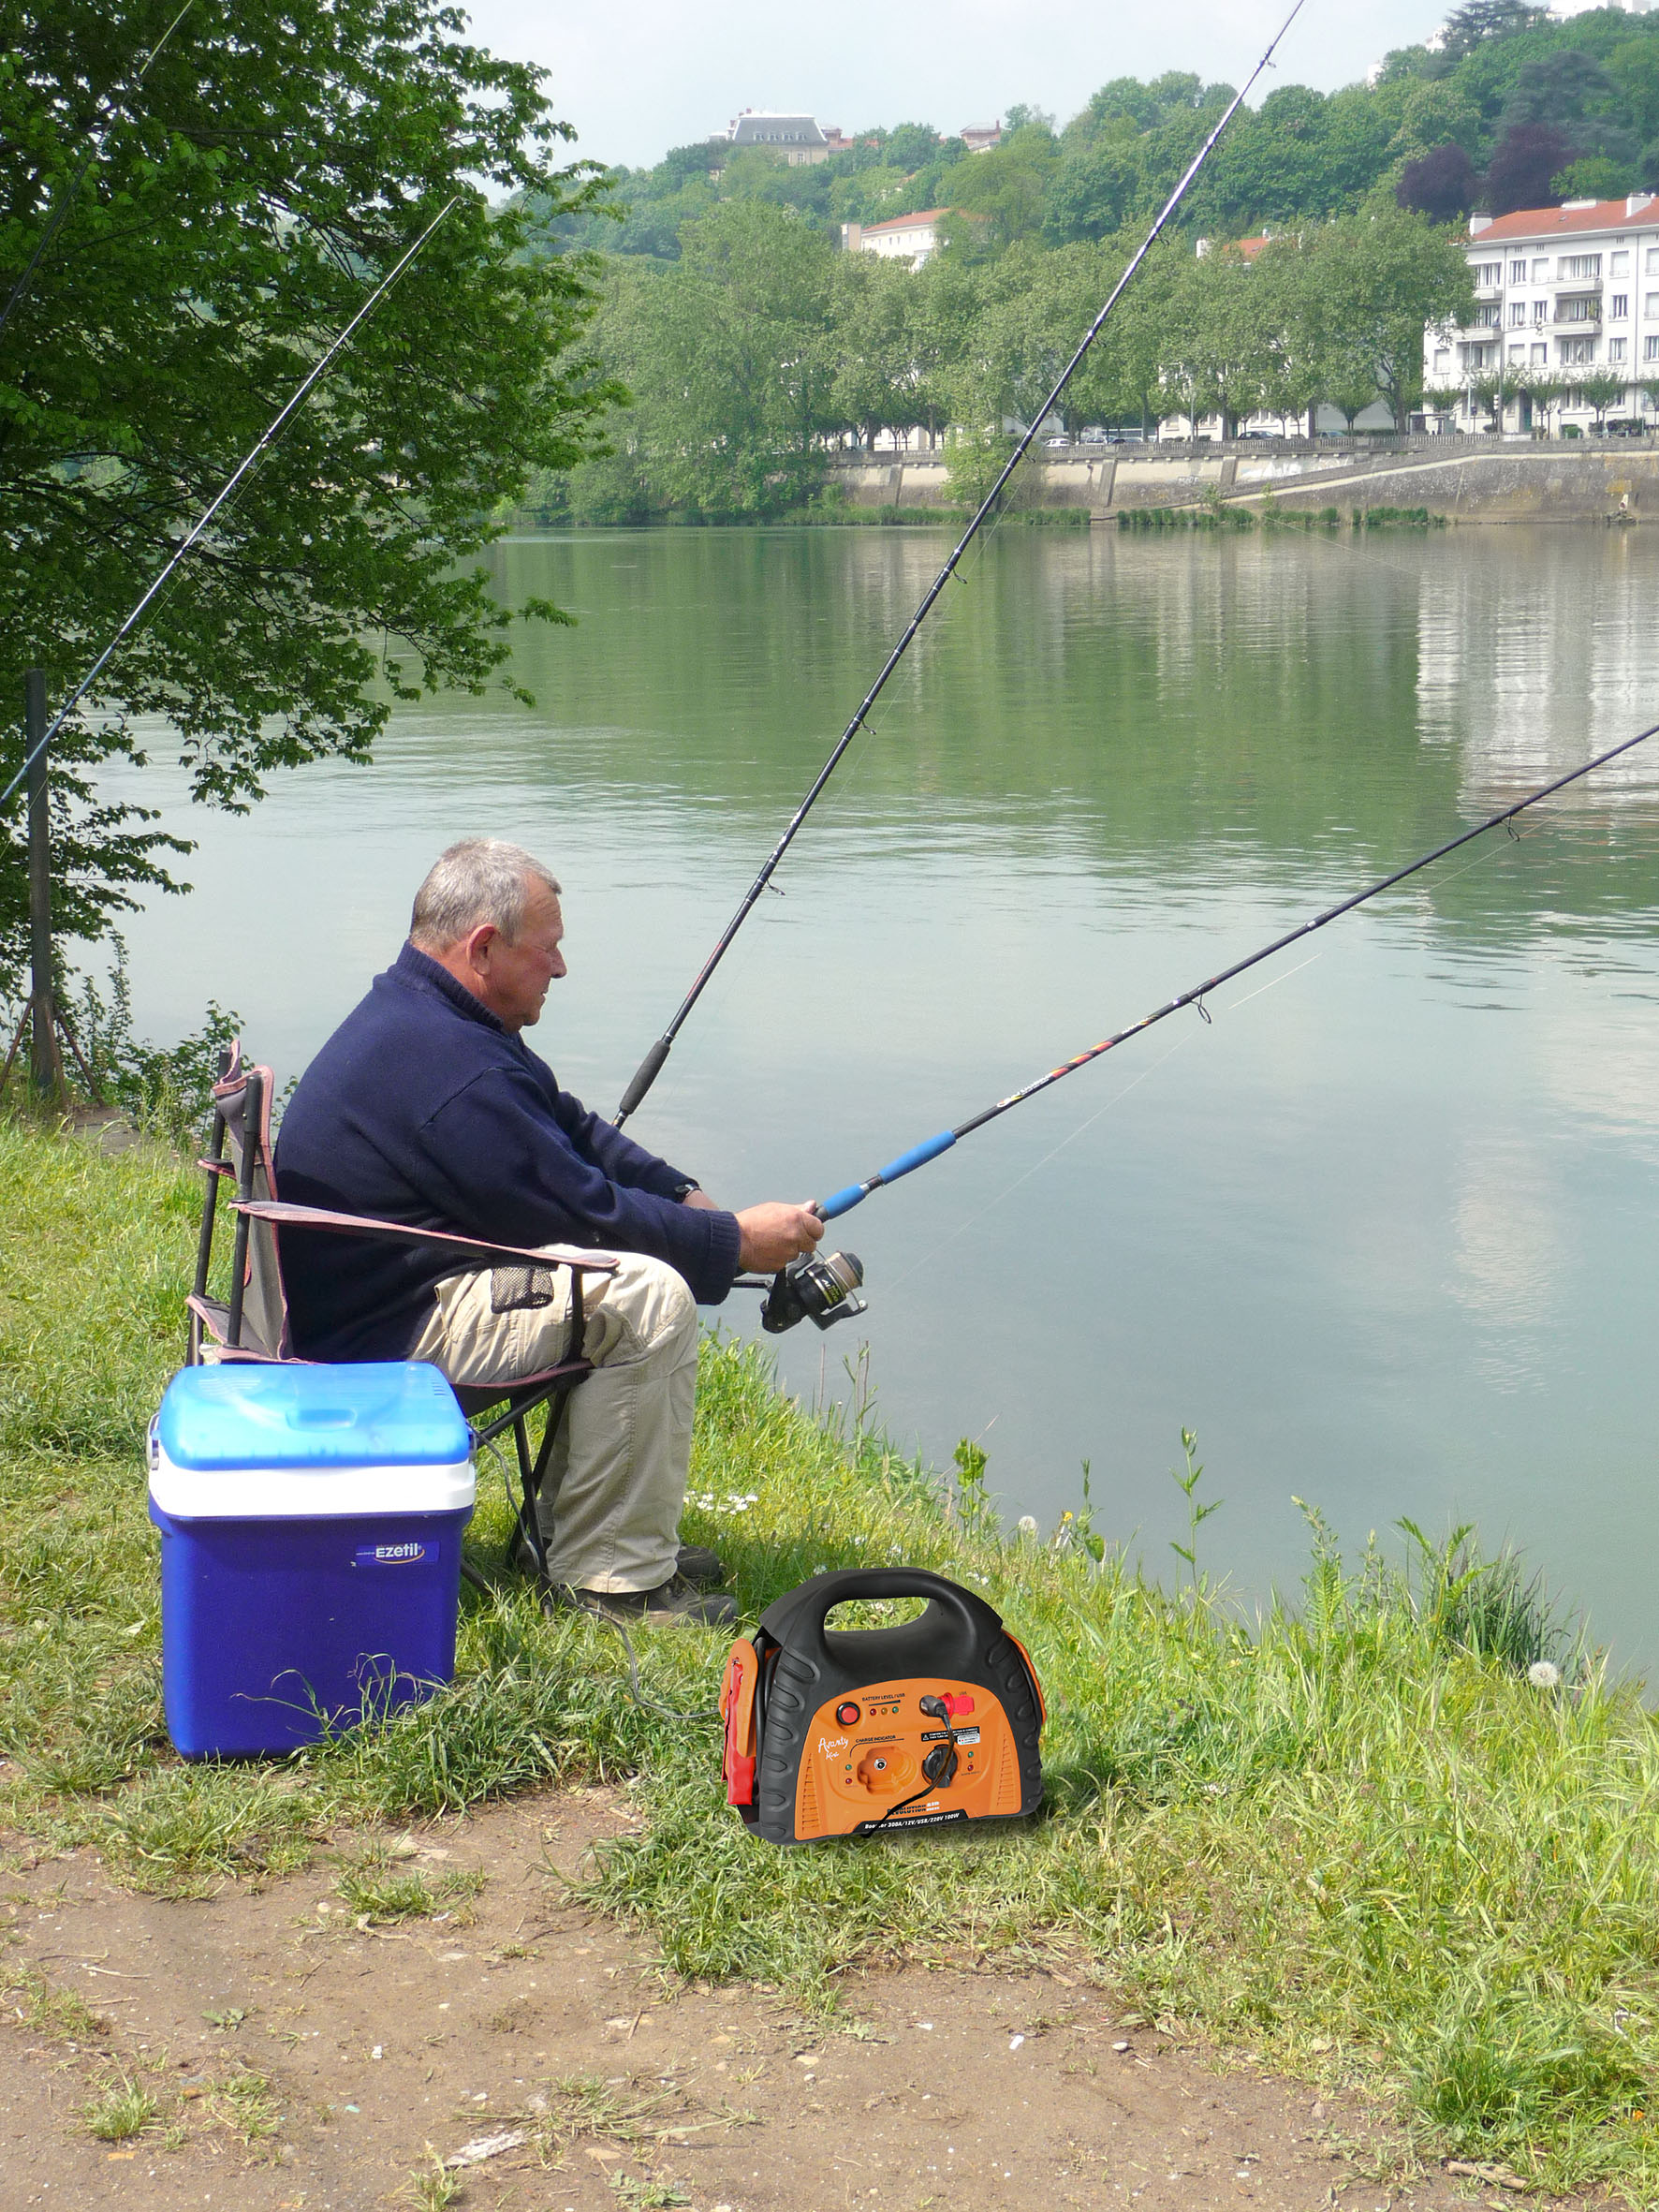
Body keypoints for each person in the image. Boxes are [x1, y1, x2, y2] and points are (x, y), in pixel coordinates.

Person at [273, 837, 824, 1626]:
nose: (561, 969)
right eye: (550, 949)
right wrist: (732, 1242)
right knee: (646, 1300)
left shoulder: (434, 1015)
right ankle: (613, 1583)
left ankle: (574, 1533)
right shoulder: (449, 1065)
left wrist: (684, 1195)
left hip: (389, 1291)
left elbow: (569, 1128)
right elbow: (578, 1217)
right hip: (387, 1334)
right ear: (485, 948)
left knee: (630, 1281)